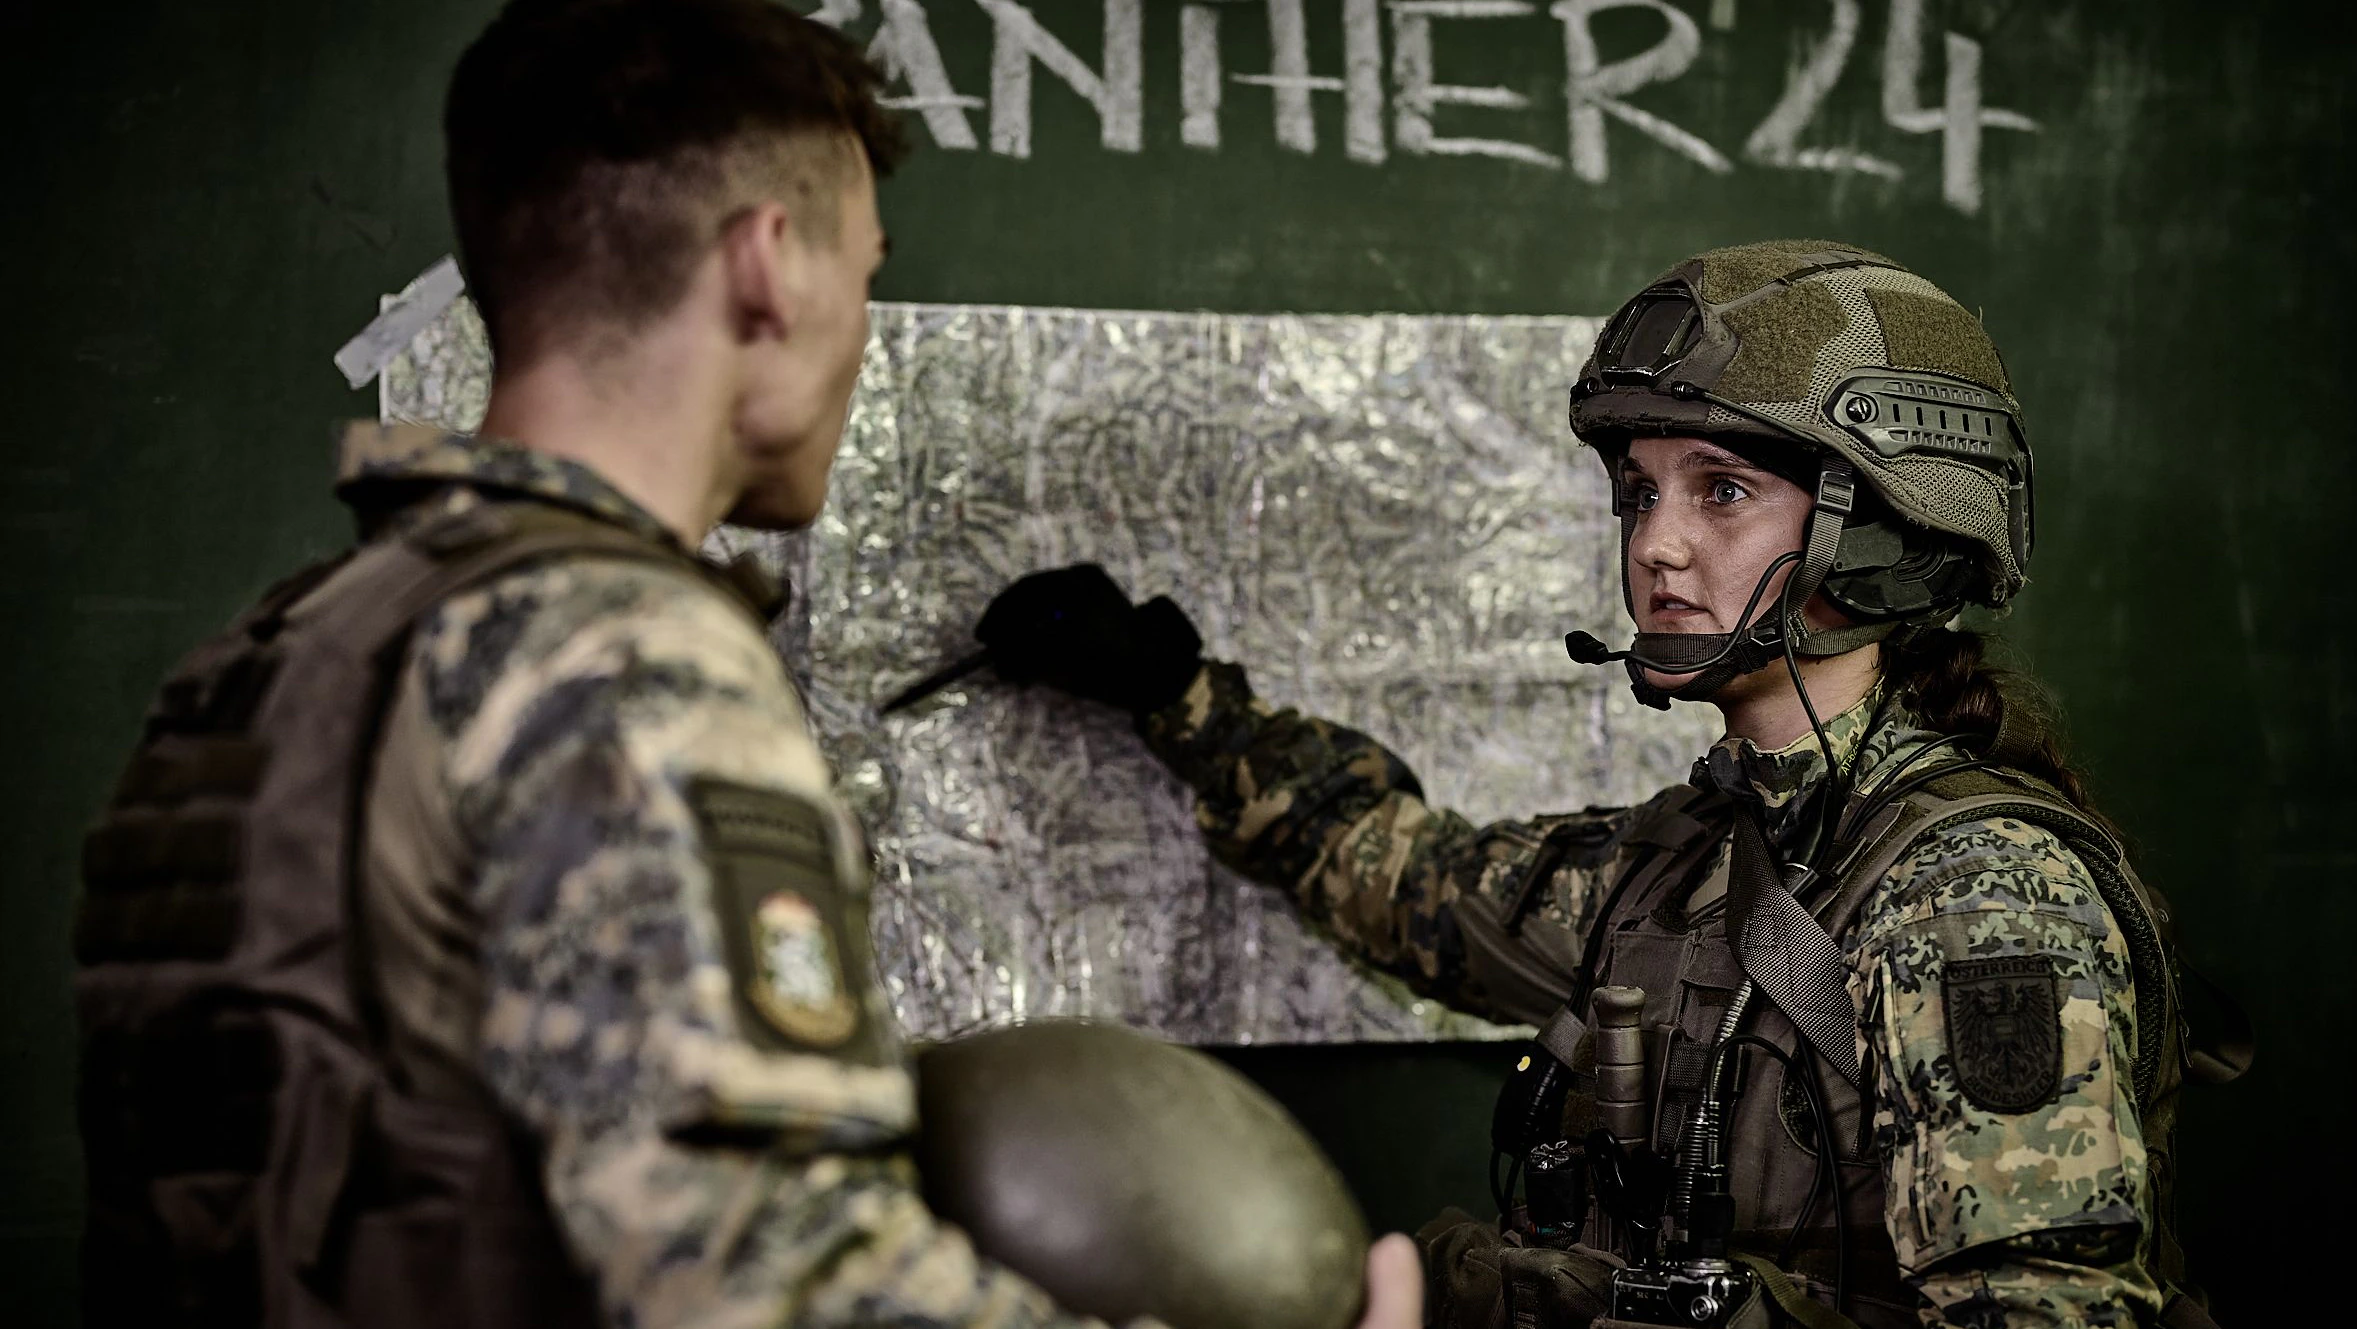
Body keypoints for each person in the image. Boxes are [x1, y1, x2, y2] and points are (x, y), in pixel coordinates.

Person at [69, 2, 1421, 1326]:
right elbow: (766, 1280)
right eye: (867, 273)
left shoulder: (276, 651)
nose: (861, 330)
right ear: (769, 267)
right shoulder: (628, 659)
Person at [976, 241, 2229, 1328]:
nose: (1656, 545)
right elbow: (1403, 877)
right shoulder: (1682, 860)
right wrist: (1172, 693)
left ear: (1888, 529)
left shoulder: (1975, 896)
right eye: (1638, 495)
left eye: (1721, 491)